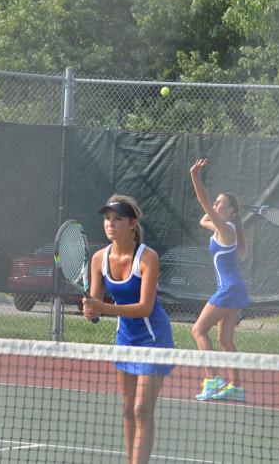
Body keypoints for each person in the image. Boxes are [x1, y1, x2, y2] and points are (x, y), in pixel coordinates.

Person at [82, 194, 174, 464]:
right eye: (107, 219)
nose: (110, 224)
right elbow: (95, 309)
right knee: (126, 410)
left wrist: (102, 308)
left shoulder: (148, 257)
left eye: (117, 219)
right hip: (125, 338)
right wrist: (90, 311)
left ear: (132, 224)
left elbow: (145, 307)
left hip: (153, 339)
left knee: (142, 409)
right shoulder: (99, 259)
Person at [189, 158, 249, 401]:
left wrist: (195, 175)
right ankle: (235, 386)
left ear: (232, 211)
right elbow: (203, 219)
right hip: (235, 289)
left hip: (228, 288)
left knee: (198, 330)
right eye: (215, 202)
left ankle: (212, 379)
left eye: (220, 203)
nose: (214, 204)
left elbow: (203, 202)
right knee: (225, 340)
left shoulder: (226, 230)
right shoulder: (223, 228)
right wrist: (217, 211)